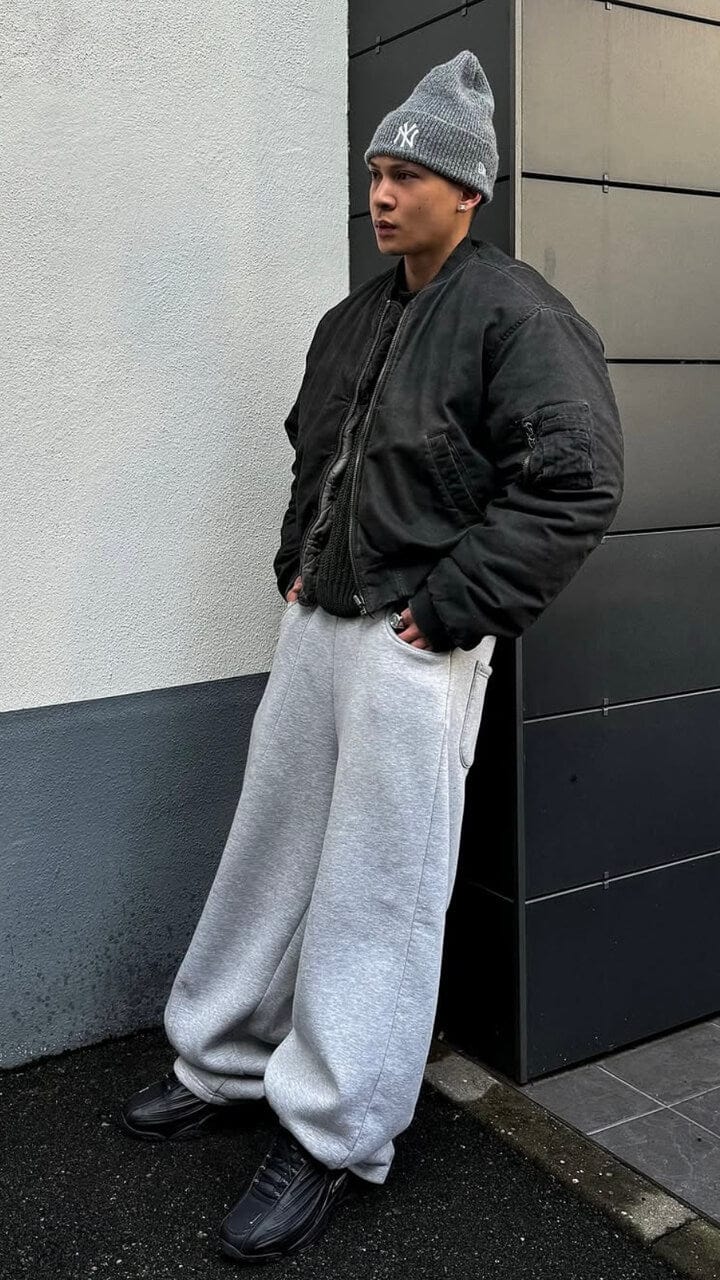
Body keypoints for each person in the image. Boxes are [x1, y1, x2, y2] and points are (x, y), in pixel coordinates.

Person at [118, 50, 624, 1264]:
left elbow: (574, 480)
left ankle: (334, 1128)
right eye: (376, 172)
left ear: (469, 190)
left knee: (379, 891)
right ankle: (224, 1055)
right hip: (320, 624)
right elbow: (318, 450)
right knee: (270, 846)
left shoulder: (518, 315)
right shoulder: (356, 315)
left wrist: (449, 610)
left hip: (415, 640)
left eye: (408, 175)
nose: (383, 194)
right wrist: (297, 558)